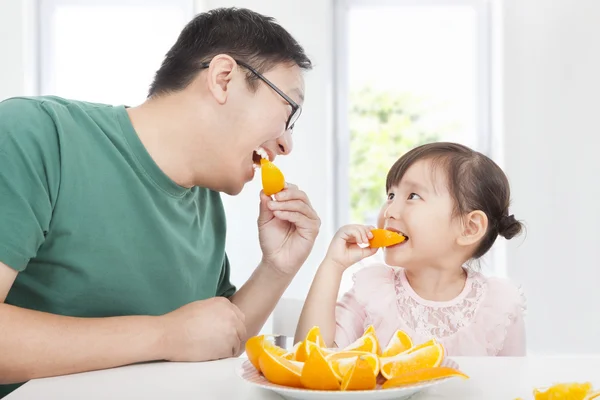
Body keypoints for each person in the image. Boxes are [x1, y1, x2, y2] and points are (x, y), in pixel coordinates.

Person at [0, 7, 320, 397]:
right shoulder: (35, 135)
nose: (287, 143)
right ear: (224, 79)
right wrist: (164, 335)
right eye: (289, 110)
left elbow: (214, 336)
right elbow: (181, 336)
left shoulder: (206, 205)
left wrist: (276, 268)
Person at [296, 142, 526, 356]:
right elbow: (311, 358)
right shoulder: (373, 293)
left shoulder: (499, 307)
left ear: (469, 227)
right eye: (391, 195)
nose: (389, 211)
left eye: (413, 196)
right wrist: (333, 265)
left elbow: (511, 385)